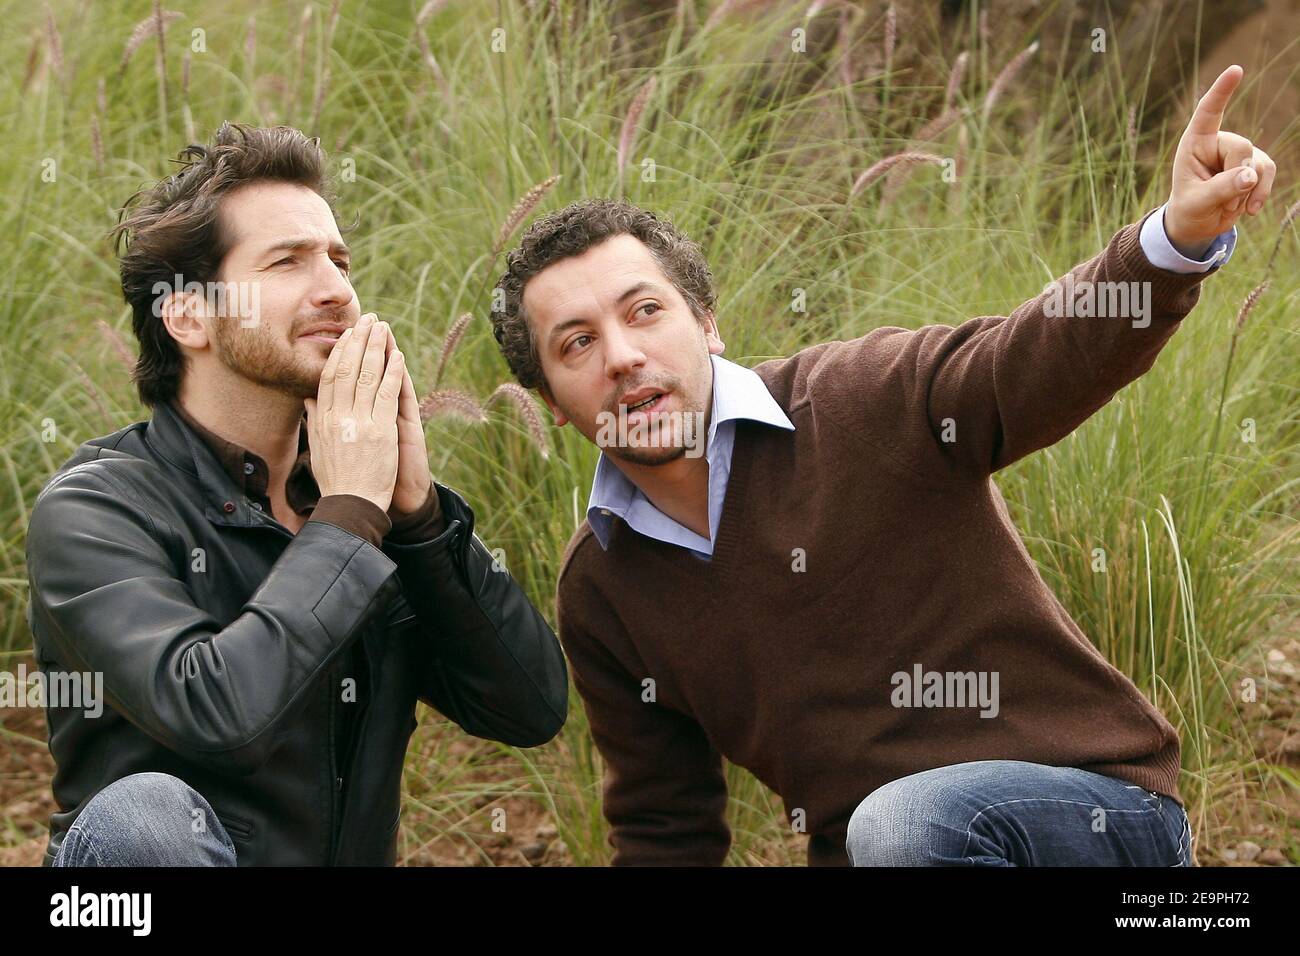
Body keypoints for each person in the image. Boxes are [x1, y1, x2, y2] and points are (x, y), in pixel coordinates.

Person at [488, 65, 1275, 865]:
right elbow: (665, 829)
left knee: (903, 825)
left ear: (709, 325)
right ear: (552, 399)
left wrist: (1173, 243)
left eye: (644, 311)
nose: (622, 356)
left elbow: (1038, 357)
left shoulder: (865, 397)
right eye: (578, 343)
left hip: (1092, 810)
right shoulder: (603, 585)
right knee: (892, 834)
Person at [27, 122, 568, 866]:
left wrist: (417, 516)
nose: (337, 291)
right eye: (287, 263)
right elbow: (215, 712)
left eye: (340, 262)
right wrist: (349, 519)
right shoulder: (96, 509)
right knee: (142, 820)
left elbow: (529, 710)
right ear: (187, 314)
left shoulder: (364, 500)